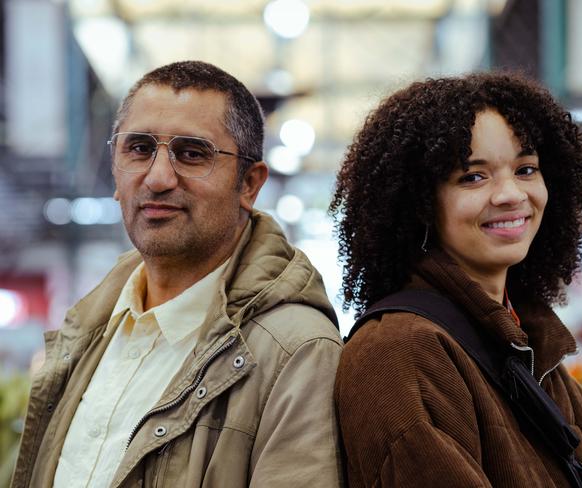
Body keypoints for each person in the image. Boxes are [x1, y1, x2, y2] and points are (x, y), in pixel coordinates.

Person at [12, 61, 343, 488]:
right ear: (115, 168)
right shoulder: (92, 327)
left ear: (249, 185)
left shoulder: (296, 351)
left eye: (191, 154)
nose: (159, 177)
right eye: (139, 149)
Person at [330, 73, 582, 487]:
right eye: (473, 176)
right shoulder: (398, 353)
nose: (511, 194)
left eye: (526, 169)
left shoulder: (538, 350)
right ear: (419, 204)